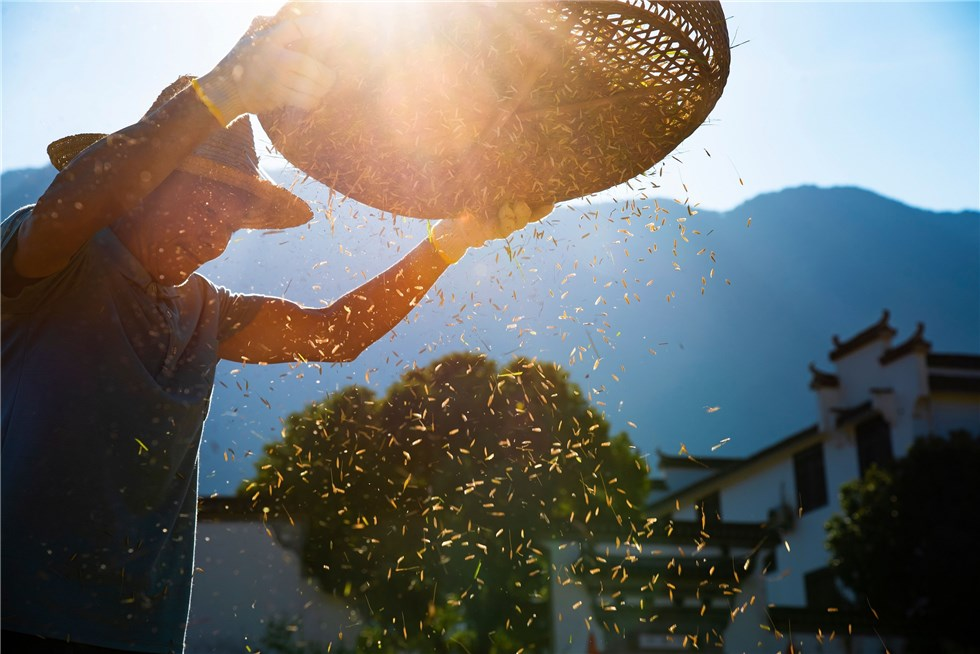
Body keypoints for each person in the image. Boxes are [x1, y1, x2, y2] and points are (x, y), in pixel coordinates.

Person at [0, 14, 553, 654]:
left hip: (141, 634)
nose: (216, 240)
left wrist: (450, 241)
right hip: (21, 614)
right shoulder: (60, 258)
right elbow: (74, 203)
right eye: (207, 208)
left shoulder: (205, 311)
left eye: (231, 226)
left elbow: (337, 333)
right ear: (145, 181)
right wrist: (223, 93)